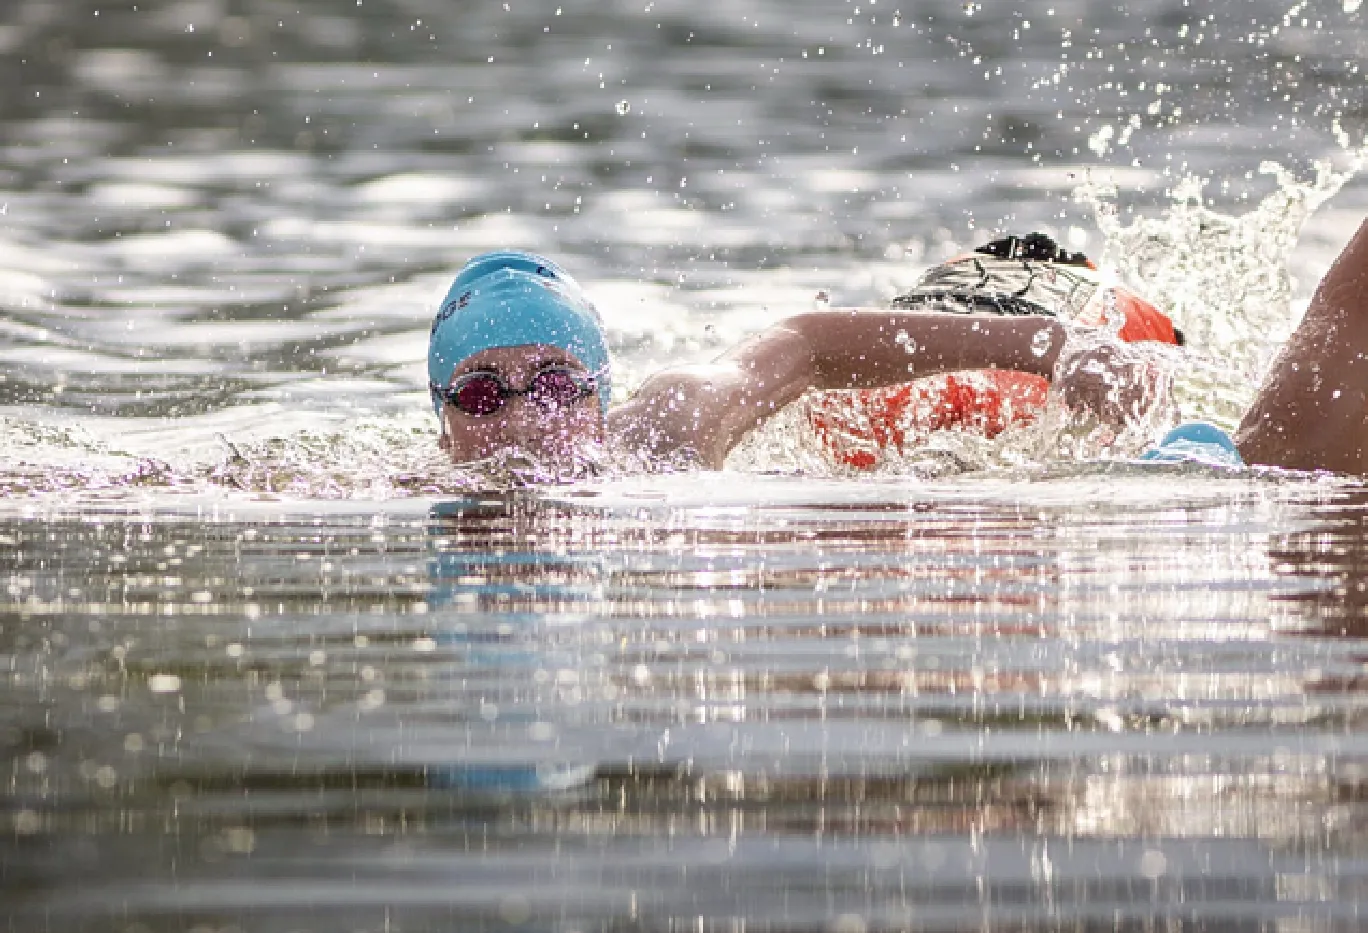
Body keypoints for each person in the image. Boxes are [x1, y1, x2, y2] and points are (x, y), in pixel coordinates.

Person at [427, 219, 1368, 475]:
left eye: (554, 380)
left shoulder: (663, 428)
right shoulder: (412, 494)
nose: (525, 416)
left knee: (1263, 461)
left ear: (599, 391)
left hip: (961, 356)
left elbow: (803, 339)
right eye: (481, 395)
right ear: (442, 429)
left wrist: (1055, 344)